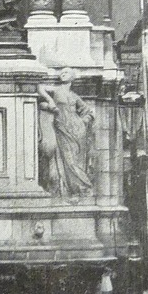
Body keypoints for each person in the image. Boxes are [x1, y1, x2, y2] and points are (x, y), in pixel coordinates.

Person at [37, 69, 95, 198]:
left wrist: (81, 122)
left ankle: (80, 188)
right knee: (68, 160)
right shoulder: (56, 90)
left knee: (75, 158)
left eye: (66, 73)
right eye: (62, 73)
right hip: (62, 128)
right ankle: (77, 187)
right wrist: (50, 101)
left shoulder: (74, 96)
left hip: (77, 130)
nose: (63, 74)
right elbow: (39, 87)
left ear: (72, 77)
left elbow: (88, 112)